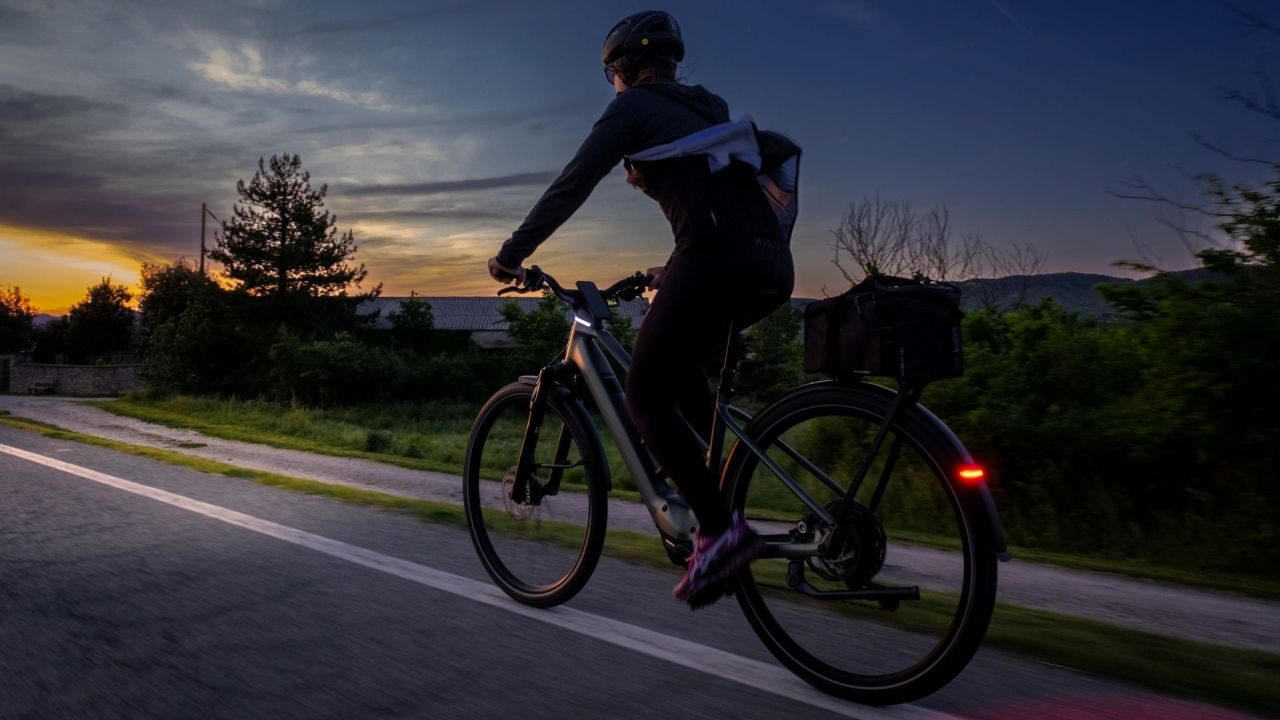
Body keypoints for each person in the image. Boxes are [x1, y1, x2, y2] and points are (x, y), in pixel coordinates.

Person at [487, 10, 795, 607]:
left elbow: (573, 182)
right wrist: (671, 267)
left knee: (643, 394)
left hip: (713, 258)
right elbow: (713, 197)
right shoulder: (709, 108)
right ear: (672, 63)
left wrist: (509, 256)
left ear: (620, 71)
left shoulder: (633, 108)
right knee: (685, 382)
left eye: (612, 77)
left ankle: (721, 532)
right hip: (770, 263)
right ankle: (715, 507)